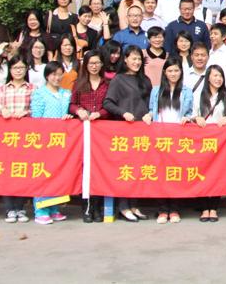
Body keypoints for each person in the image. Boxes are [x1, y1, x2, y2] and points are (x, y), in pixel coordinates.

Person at [103, 45, 152, 222]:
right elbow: (108, 103)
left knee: (139, 169)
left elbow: (150, 102)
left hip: (142, 130)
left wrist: (150, 113)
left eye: (139, 59)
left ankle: (134, 204)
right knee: (126, 169)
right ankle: (123, 206)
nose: (136, 62)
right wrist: (123, 113)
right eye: (133, 58)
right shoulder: (118, 79)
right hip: (124, 130)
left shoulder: (145, 80)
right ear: (125, 59)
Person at [145, 56, 195, 223]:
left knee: (176, 174)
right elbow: (152, 110)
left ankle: (174, 209)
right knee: (160, 174)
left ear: (181, 72)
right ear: (165, 73)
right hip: (160, 137)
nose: (173, 74)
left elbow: (190, 113)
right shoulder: (156, 90)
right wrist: (148, 115)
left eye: (176, 70)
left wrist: (188, 118)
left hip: (179, 138)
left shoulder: (187, 91)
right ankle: (162, 210)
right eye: (170, 71)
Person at [29, 62, 73, 224]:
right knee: (43, 175)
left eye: (60, 74)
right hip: (44, 141)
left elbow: (68, 112)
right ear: (47, 76)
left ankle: (54, 209)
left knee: (57, 175)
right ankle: (40, 210)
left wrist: (68, 118)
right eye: (54, 74)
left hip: (60, 141)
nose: (57, 77)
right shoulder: (40, 93)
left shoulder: (66, 93)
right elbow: (36, 118)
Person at [69, 50, 110, 222]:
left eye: (97, 63)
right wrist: (79, 110)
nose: (94, 66)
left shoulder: (107, 84)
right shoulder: (79, 83)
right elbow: (72, 104)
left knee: (100, 169)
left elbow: (110, 105)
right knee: (85, 168)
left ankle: (98, 207)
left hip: (101, 132)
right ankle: (87, 207)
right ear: (85, 65)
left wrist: (100, 113)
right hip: (83, 132)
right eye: (91, 63)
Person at [0, 54, 33, 223]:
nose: (18, 71)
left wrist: (26, 112)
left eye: (21, 68)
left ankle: (20, 207)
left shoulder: (32, 88)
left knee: (22, 171)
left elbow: (36, 110)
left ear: (26, 69)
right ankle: (9, 208)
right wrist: (3, 111)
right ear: (10, 70)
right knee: (7, 172)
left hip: (25, 136)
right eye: (15, 68)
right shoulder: (3, 89)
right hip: (7, 136)